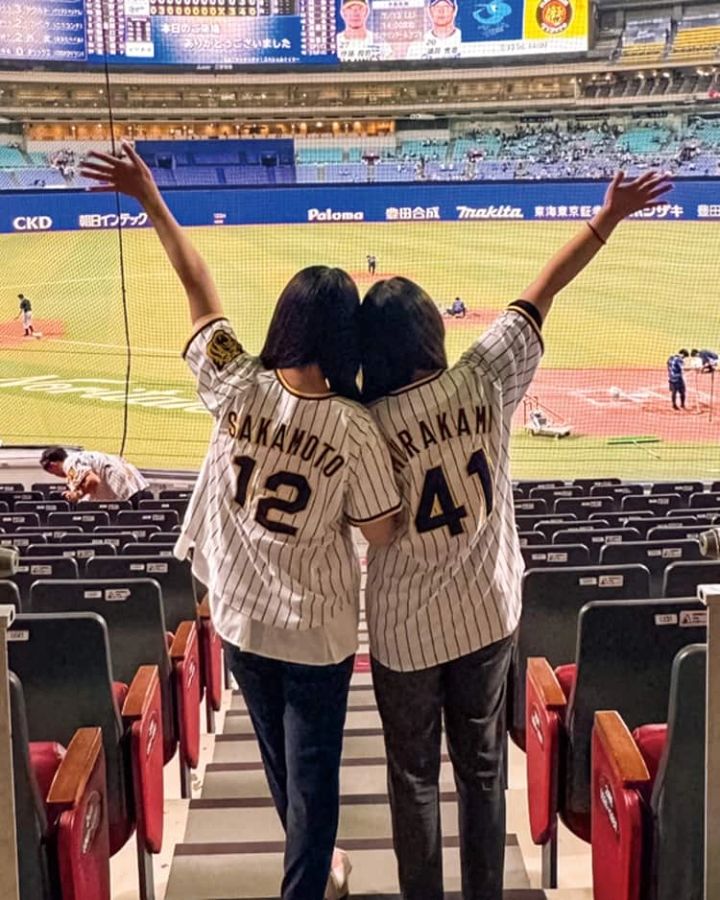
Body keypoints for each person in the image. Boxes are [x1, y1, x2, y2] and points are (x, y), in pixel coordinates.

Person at [80, 142, 401, 900]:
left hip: (242, 621)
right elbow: (381, 531)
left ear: (286, 321)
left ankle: (318, 867)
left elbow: (200, 289)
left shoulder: (236, 381)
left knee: (282, 767)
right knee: (313, 777)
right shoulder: (354, 428)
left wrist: (152, 200)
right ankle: (310, 880)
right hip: (317, 632)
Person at [358, 170, 671, 900]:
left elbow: (368, 526)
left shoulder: (364, 424)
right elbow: (542, 291)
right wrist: (607, 217)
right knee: (483, 771)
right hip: (486, 614)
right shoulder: (484, 375)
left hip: (403, 632)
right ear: (432, 331)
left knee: (412, 779)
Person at [39, 446, 149, 503]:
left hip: (124, 490)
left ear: (53, 466)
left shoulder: (69, 464)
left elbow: (93, 480)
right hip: (135, 485)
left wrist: (77, 494)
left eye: (52, 473)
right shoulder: (80, 457)